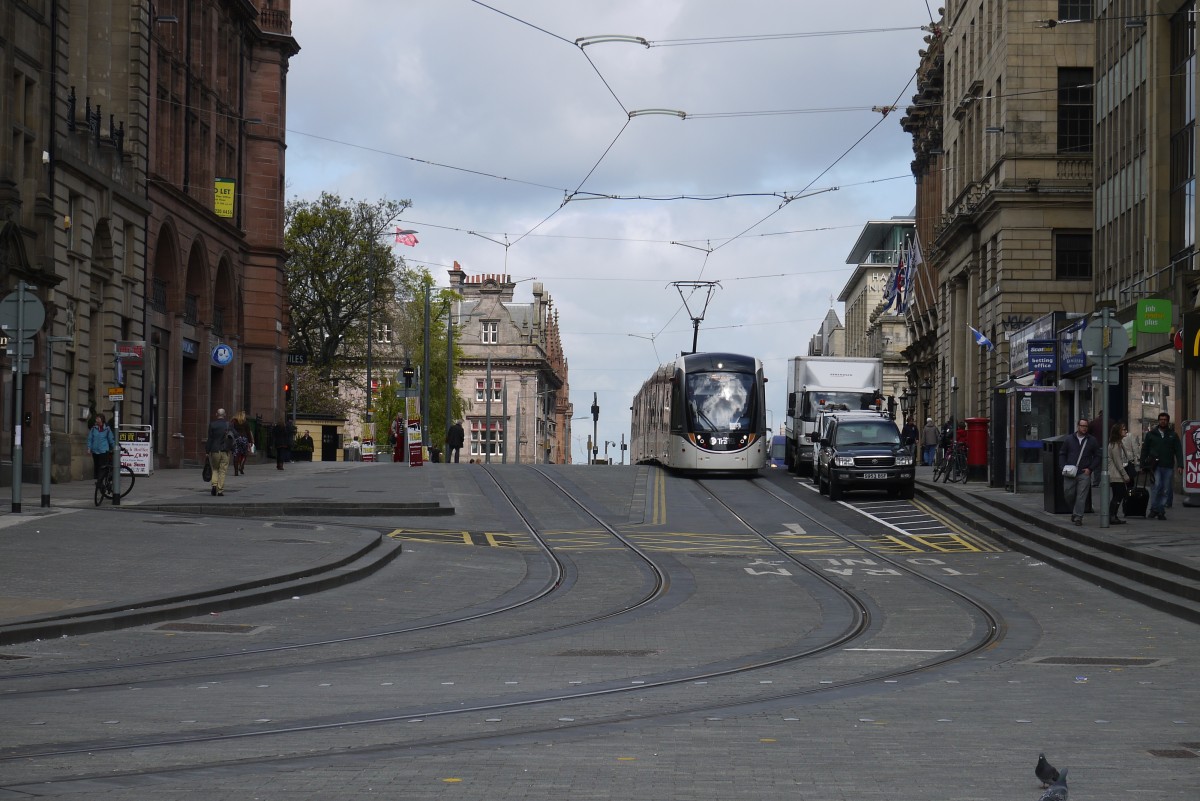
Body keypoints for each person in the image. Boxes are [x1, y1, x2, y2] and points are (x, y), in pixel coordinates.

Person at [1140, 412, 1184, 520]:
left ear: (1167, 421)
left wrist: (1180, 465)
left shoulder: (1173, 435)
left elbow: (1178, 450)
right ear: (1158, 421)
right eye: (1161, 419)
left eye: (1165, 419)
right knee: (1156, 487)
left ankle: (1159, 510)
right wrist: (1142, 464)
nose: (1163, 421)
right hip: (1155, 466)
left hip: (1168, 465)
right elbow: (1144, 450)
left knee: (1165, 489)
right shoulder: (1151, 434)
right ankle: (1155, 509)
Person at [1060, 417, 1101, 526]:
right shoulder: (1069, 439)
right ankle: (1075, 511)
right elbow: (1062, 453)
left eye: (1086, 426)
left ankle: (1078, 517)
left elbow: (1097, 456)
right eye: (1082, 426)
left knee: (1081, 496)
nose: (1084, 428)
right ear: (1078, 426)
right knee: (1068, 494)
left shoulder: (1092, 440)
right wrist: (1063, 466)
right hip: (1070, 472)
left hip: (1084, 473)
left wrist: (1090, 469)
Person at [204, 408, 234, 496]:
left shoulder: (212, 425)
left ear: (216, 414)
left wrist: (207, 451)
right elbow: (235, 435)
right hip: (225, 451)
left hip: (214, 450)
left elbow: (210, 439)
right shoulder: (228, 425)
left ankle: (214, 485)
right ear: (224, 415)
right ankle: (220, 490)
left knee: (215, 469)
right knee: (222, 471)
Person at [1106, 421, 1129, 525]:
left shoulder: (1119, 443)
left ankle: (1113, 515)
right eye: (1123, 429)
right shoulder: (1115, 445)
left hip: (1117, 474)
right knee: (1119, 494)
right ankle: (1112, 516)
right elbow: (1118, 462)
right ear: (1118, 431)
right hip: (1116, 475)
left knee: (1118, 494)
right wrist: (1125, 475)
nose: (1126, 431)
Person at [86, 413, 116, 484]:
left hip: (104, 450)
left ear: (101, 420)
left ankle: (100, 480)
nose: (96, 420)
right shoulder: (93, 429)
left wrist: (115, 447)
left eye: (98, 418)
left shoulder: (107, 429)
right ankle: (99, 480)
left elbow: (111, 439)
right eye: (96, 418)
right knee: (97, 466)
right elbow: (90, 439)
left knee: (102, 466)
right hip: (95, 451)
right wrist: (89, 448)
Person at [231, 410, 251, 476]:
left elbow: (230, 429)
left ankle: (236, 472)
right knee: (244, 454)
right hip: (244, 439)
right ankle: (241, 466)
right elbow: (248, 433)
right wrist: (250, 442)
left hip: (236, 439)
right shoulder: (245, 422)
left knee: (236, 455)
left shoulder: (234, 422)